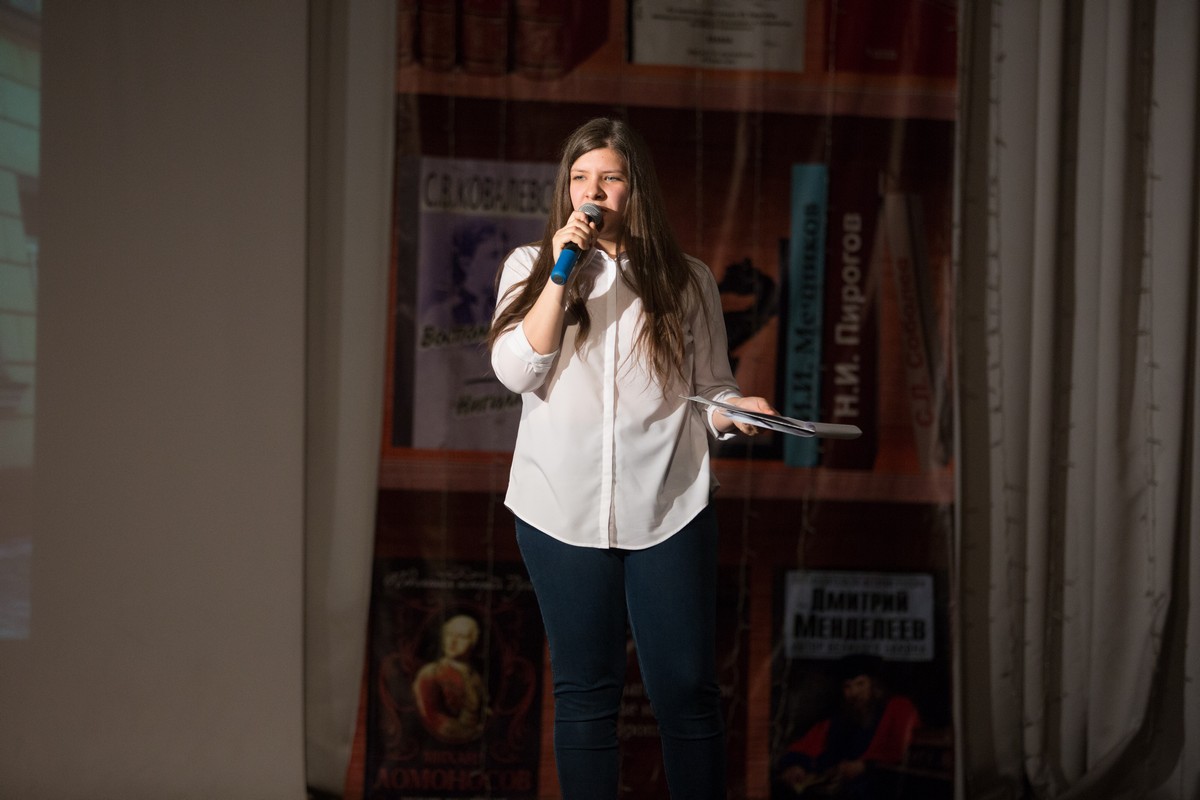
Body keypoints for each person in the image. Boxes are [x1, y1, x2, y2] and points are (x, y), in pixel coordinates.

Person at [487, 116, 777, 799]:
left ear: (634, 187)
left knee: (686, 689)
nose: (593, 192)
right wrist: (561, 274)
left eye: (610, 178)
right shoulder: (532, 266)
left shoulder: (687, 279)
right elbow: (517, 371)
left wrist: (736, 412)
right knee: (585, 692)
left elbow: (709, 390)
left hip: (669, 507)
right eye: (580, 178)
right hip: (559, 509)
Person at [775, 654, 921, 798]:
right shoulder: (840, 719)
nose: (854, 693)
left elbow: (904, 751)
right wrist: (796, 765)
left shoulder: (898, 708)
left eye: (860, 684)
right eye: (847, 686)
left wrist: (866, 765)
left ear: (873, 685)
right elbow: (808, 745)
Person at [411, 614, 489, 744]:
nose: (452, 641)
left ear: (473, 642)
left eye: (461, 637)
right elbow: (431, 717)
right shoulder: (431, 673)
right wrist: (470, 733)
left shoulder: (475, 678)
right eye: (449, 635)